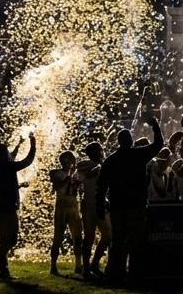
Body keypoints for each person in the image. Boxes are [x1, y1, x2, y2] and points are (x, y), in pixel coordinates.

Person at [95, 114, 163, 280]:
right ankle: (135, 272)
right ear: (130, 140)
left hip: (117, 206)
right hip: (136, 205)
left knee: (118, 241)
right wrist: (155, 126)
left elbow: (101, 186)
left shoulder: (110, 161)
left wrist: (100, 206)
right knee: (136, 241)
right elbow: (158, 145)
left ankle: (116, 272)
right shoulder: (137, 155)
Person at [0, 133, 37, 281]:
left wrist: (18, 144)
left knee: (4, 241)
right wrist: (33, 142)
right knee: (11, 241)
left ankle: (4, 272)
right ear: (4, 153)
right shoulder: (8, 166)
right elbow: (28, 161)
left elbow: (5, 182)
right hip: (9, 207)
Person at [77, 142, 111, 277]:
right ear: (91, 153)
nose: (101, 153)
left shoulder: (101, 165)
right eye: (99, 151)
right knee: (89, 237)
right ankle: (85, 268)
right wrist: (101, 166)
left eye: (101, 150)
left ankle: (95, 263)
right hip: (89, 205)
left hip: (101, 203)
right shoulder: (84, 164)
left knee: (108, 235)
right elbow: (86, 177)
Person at [48, 151, 83, 276]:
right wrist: (69, 176)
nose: (69, 163)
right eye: (67, 160)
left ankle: (78, 264)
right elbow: (57, 186)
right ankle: (53, 266)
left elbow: (78, 187)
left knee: (78, 237)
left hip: (73, 206)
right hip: (61, 207)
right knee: (58, 237)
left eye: (71, 160)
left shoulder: (77, 174)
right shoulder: (55, 172)